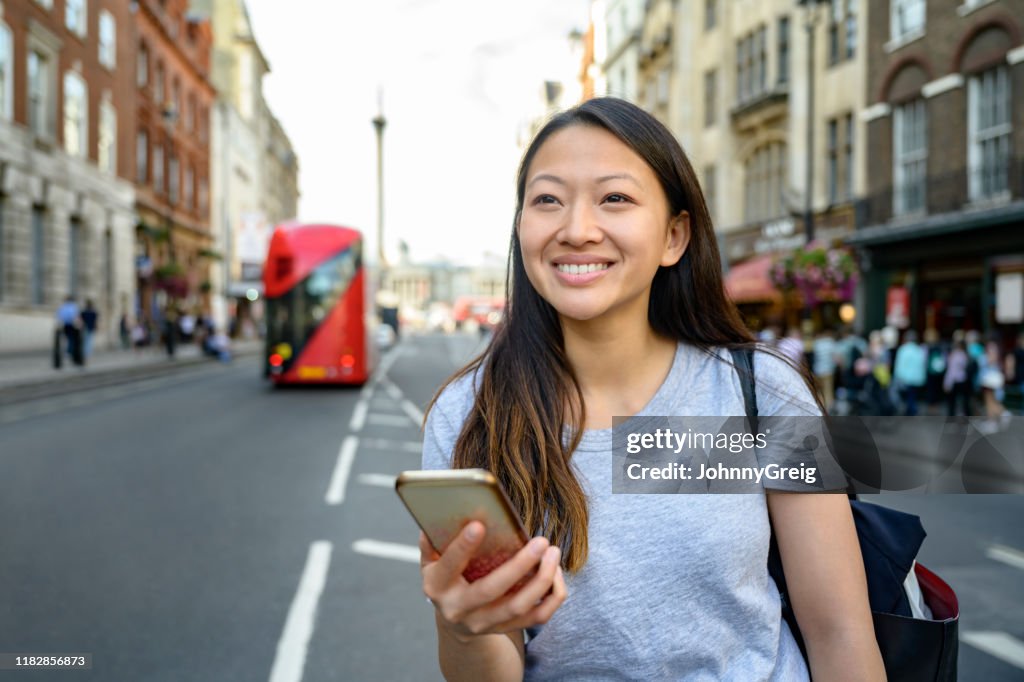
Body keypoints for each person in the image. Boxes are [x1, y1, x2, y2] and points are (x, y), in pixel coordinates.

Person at [418, 98, 883, 681]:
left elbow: (840, 632)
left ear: (674, 236)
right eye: (547, 200)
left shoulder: (761, 392)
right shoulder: (467, 416)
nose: (576, 229)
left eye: (614, 198)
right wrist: (463, 627)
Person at [893, 330, 927, 416]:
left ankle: (911, 410)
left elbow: (899, 365)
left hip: (906, 378)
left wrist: (897, 376)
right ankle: (911, 409)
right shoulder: (919, 350)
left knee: (908, 396)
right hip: (916, 378)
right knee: (912, 395)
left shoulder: (903, 349)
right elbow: (922, 364)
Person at [55, 295, 83, 367]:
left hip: (65, 325)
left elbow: (59, 315)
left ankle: (67, 351)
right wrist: (79, 324)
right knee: (72, 339)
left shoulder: (63, 307)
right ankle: (69, 352)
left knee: (66, 338)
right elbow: (75, 316)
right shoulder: (73, 306)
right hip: (72, 325)